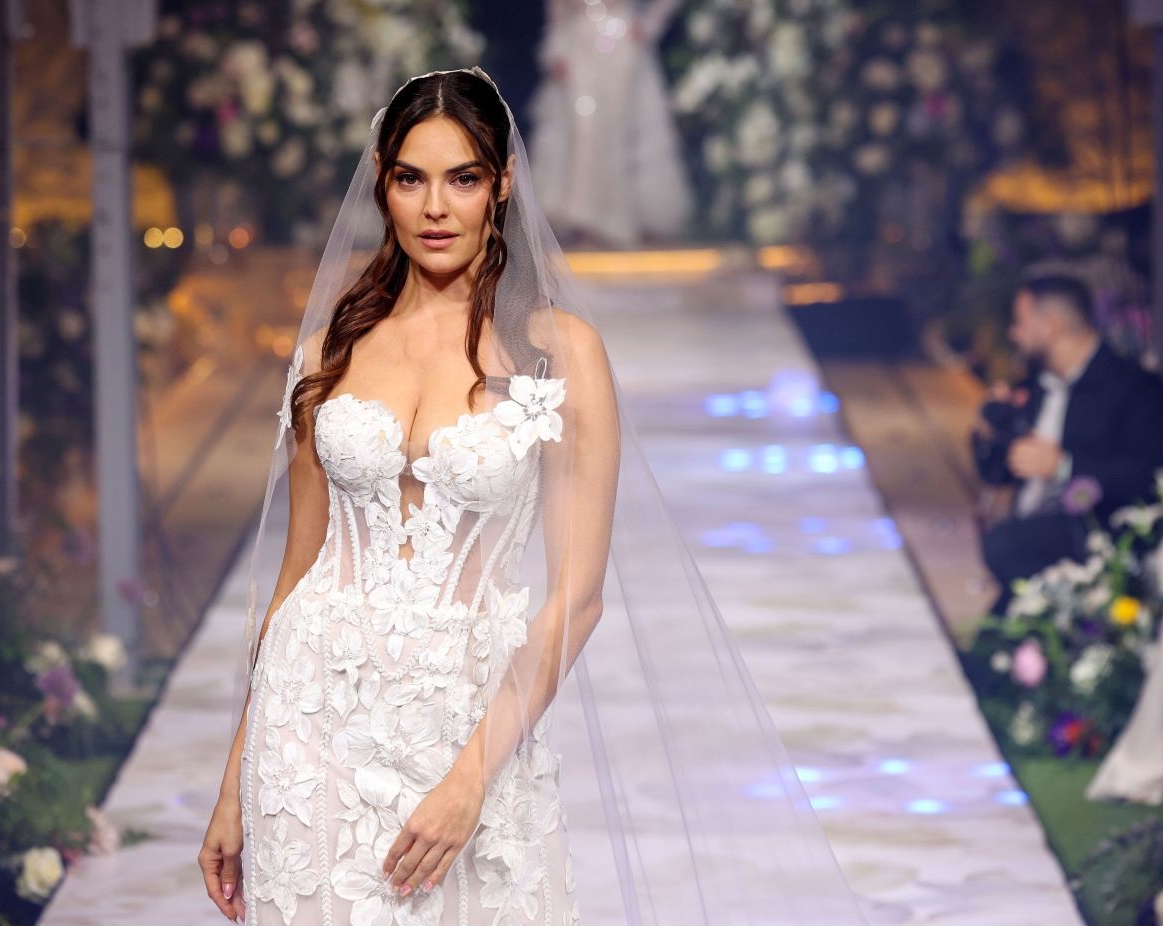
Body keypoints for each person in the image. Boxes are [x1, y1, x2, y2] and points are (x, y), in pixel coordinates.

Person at [199, 67, 865, 925]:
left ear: (502, 184)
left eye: (462, 178)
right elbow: (296, 573)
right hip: (306, 727)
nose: (435, 208)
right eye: (410, 179)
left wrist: (471, 778)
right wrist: (236, 778)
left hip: (471, 721)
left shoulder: (560, 354)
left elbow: (577, 600)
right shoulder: (334, 349)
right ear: (382, 186)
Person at [971, 274, 1163, 616]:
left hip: (1093, 542)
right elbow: (996, 473)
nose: (1014, 333)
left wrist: (1064, 467)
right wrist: (989, 431)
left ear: (1050, 325)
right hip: (1029, 547)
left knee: (1003, 545)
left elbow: (1149, 476)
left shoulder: (1135, 388)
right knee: (986, 637)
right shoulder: (1035, 386)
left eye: (1020, 322)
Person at [526, 0, 693, 248]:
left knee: (617, 133)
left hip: (622, 44)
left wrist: (649, 25)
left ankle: (616, 221)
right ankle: (582, 219)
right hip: (577, 45)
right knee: (582, 130)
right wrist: (556, 45)